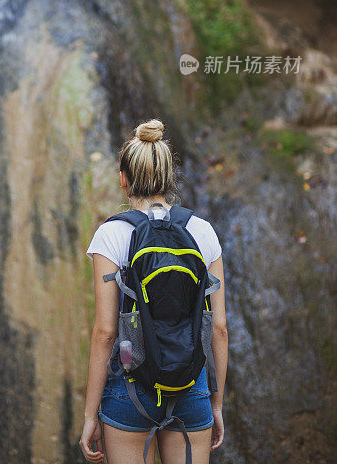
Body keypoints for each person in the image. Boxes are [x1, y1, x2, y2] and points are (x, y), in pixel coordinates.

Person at [79, 119, 228, 464]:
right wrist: (216, 403)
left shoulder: (111, 235)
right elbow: (218, 327)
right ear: (169, 178)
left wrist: (90, 416)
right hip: (191, 389)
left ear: (123, 179)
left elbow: (105, 332)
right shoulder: (202, 232)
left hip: (129, 390)